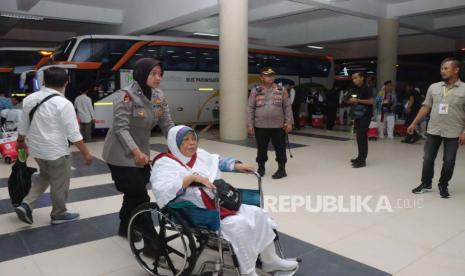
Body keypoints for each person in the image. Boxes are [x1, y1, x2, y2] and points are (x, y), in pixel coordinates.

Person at [151, 125, 299, 276]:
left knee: (258, 213)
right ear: (174, 144)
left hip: (221, 201)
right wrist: (191, 178)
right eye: (185, 140)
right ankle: (248, 271)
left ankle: (270, 260)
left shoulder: (200, 154)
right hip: (195, 209)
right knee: (238, 225)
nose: (192, 143)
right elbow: (162, 189)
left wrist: (237, 165)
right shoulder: (164, 163)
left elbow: (218, 161)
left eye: (193, 138)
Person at [102, 58, 175, 238]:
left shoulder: (159, 96)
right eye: (153, 73)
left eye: (160, 74)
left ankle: (124, 227)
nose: (158, 78)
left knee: (133, 193)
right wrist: (135, 152)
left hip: (142, 153)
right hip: (120, 154)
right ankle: (152, 242)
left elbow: (167, 124)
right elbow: (121, 128)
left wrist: (178, 144)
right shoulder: (126, 95)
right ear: (142, 73)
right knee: (141, 196)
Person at [15, 66, 93, 225]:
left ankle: (26, 204)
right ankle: (59, 214)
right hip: (56, 152)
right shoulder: (64, 104)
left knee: (44, 176)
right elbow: (74, 134)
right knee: (60, 183)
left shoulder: (30, 99)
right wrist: (86, 153)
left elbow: (23, 124)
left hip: (37, 150)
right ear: (66, 82)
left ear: (43, 81)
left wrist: (20, 142)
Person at [408, 57, 465, 198]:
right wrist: (414, 123)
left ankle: (443, 184)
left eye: (446, 68)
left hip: (453, 131)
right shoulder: (434, 87)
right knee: (428, 158)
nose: (442, 71)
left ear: (456, 70)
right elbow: (426, 107)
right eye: (441, 68)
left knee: (449, 160)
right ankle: (426, 184)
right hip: (433, 129)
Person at [247, 67, 293, 179]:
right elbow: (250, 108)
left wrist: (289, 122)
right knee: (261, 148)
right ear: (261, 77)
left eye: (272, 75)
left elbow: (287, 107)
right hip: (260, 126)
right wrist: (249, 124)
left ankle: (282, 170)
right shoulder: (255, 90)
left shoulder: (282, 90)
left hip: (278, 126)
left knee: (280, 148)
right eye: (267, 75)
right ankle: (261, 168)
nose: (270, 77)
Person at [349, 71, 374, 168]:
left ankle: (362, 160)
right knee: (359, 137)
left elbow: (371, 101)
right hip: (358, 114)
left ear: (362, 78)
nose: (354, 80)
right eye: (353, 78)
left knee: (362, 136)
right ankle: (360, 157)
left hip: (366, 115)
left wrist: (357, 100)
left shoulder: (367, 88)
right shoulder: (355, 89)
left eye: (356, 78)